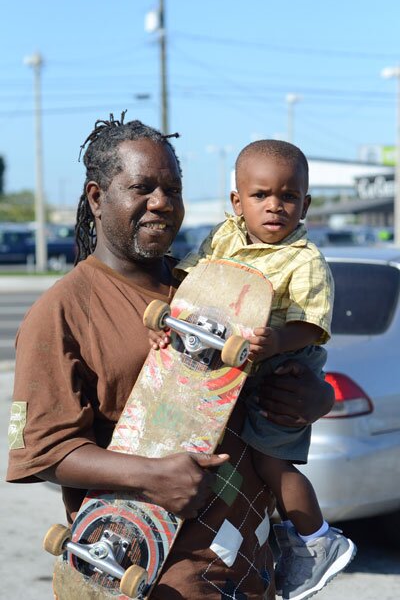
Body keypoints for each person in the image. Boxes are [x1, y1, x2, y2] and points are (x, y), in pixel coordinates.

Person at [6, 114, 335, 600]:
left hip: (253, 572)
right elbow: (44, 451)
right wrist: (152, 476)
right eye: (141, 187)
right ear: (97, 198)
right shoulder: (61, 312)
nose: (161, 203)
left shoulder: (215, 289)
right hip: (152, 580)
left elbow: (263, 383)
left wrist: (316, 398)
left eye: (172, 190)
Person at [151, 139, 356, 600]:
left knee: (270, 463)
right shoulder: (223, 236)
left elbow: (310, 324)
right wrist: (169, 320)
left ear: (306, 204)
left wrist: (279, 340)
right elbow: (191, 281)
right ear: (236, 201)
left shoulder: (304, 259)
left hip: (282, 367)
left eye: (288, 197)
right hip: (233, 362)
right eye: (261, 195)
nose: (275, 206)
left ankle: (317, 539)